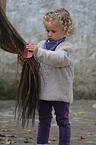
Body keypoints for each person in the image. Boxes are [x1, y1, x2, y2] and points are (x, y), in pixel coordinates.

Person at [25, 8, 76, 145]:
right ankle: (41, 143)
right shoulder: (42, 45)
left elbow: (56, 59)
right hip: (43, 93)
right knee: (44, 120)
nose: (49, 34)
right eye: (47, 30)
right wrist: (27, 57)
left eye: (54, 31)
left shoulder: (67, 48)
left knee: (63, 121)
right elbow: (37, 62)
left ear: (66, 30)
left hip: (60, 94)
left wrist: (37, 52)